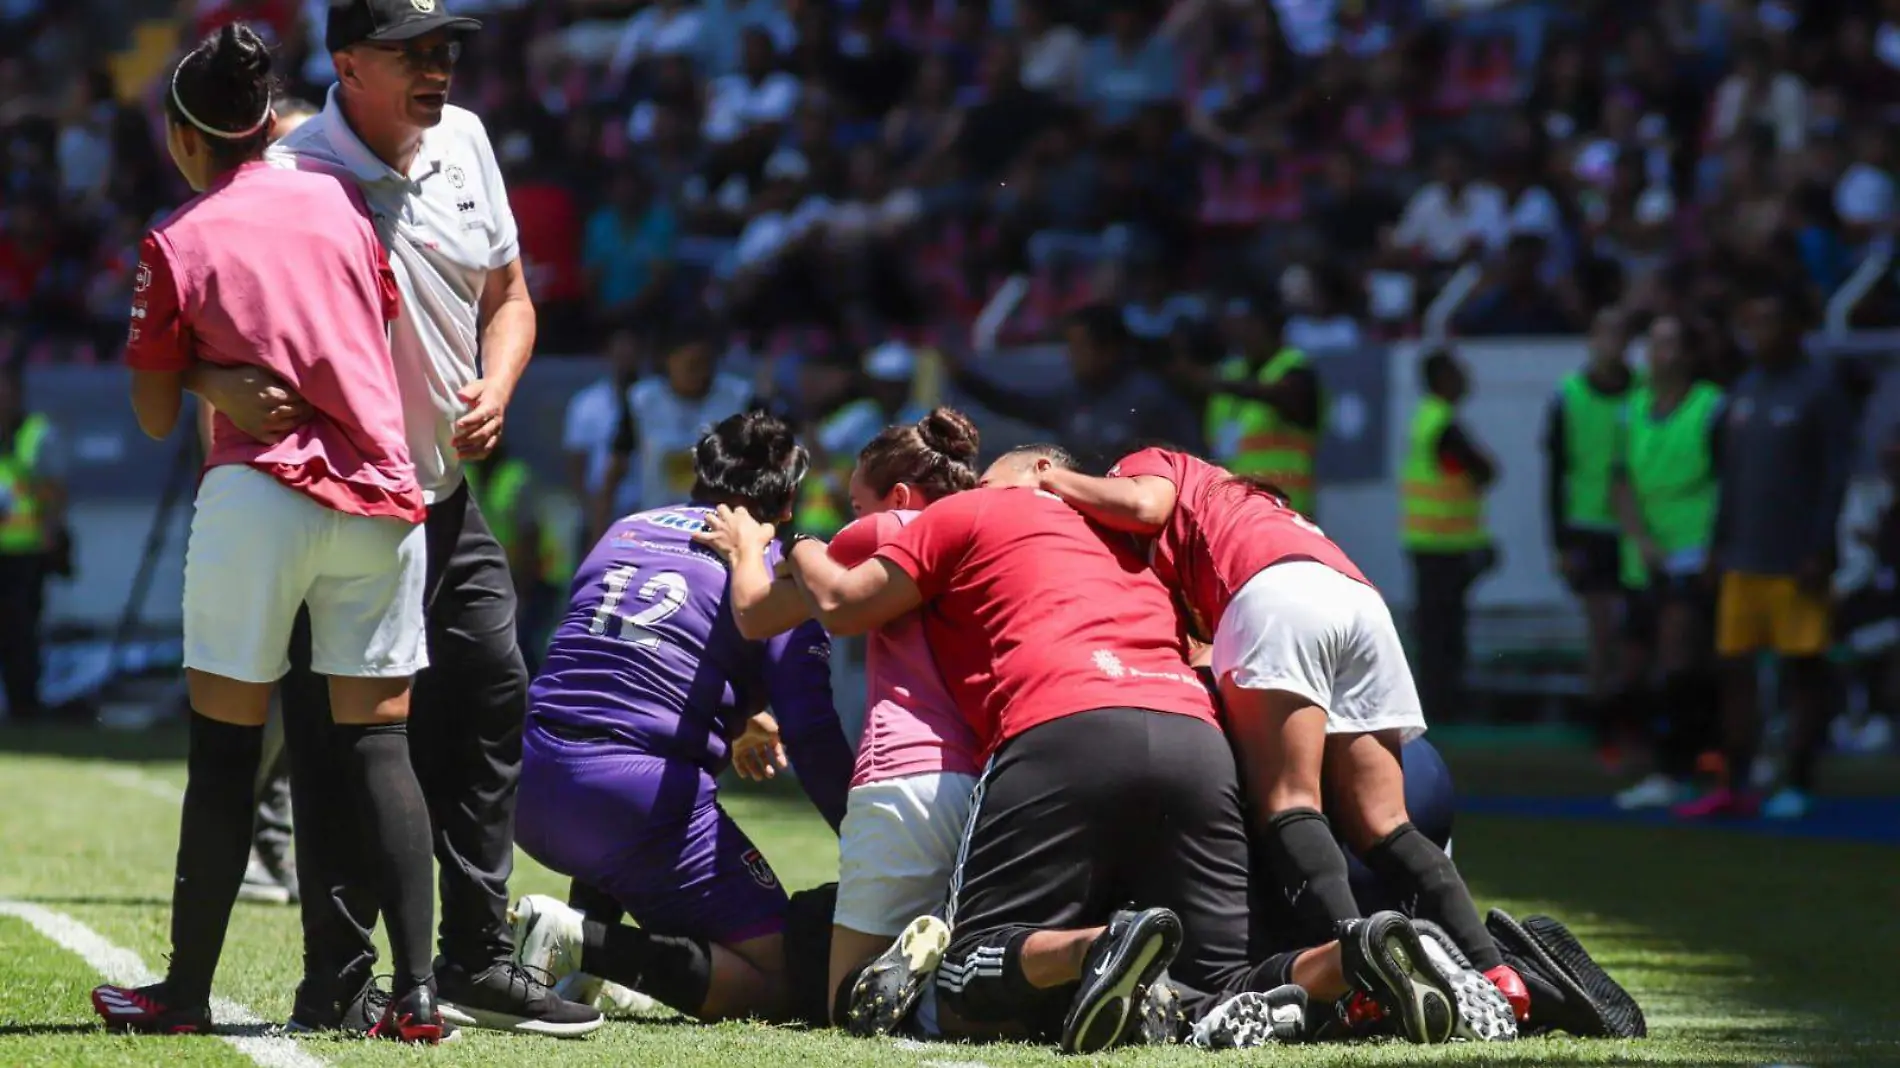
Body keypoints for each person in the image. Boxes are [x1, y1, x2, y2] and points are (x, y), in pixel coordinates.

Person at [171, 0, 600, 1035]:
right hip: (340, 502)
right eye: (415, 51)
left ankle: (477, 957)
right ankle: (337, 977)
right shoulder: (290, 172)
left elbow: (511, 297)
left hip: (445, 497)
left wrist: (497, 382)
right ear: (347, 63)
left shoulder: (468, 144)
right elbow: (186, 293)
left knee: (493, 698)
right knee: (330, 746)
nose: (439, 69)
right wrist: (211, 386)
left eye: (448, 50)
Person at [778, 444, 1471, 1052]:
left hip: (1059, 730)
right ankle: (1355, 954)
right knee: (1216, 984)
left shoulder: (972, 512)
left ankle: (1097, 944)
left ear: (1027, 476)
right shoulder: (1140, 554)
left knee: (974, 962)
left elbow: (839, 606)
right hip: (1197, 741)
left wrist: (798, 543)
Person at [89, 26, 442, 1042]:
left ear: (184, 136)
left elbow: (158, 412)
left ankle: (184, 995)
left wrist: (207, 376)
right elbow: (366, 325)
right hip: (380, 495)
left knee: (225, 754)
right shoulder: (339, 199)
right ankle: (416, 998)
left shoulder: (179, 237)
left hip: (260, 500)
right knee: (381, 743)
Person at [1033, 445, 1524, 1034]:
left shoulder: (1155, 465)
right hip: (1357, 598)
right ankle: (1496, 975)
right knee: (1385, 823)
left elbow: (1141, 503)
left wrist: (1052, 479)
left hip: (1273, 596)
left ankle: (1362, 972)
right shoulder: (1245, 504)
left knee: (1288, 802)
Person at [509, 410, 853, 1024]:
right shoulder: (775, 566)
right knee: (786, 980)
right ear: (790, 500)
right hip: (633, 801)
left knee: (628, 806)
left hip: (529, 777)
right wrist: (868, 841)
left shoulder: (625, 527)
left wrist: (741, 714)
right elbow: (813, 732)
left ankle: (582, 954)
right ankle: (580, 941)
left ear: (700, 475)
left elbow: (631, 656)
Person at [689, 407, 983, 1029]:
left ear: (898, 497)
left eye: (855, 504)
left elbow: (755, 615)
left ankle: (914, 985)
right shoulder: (988, 533)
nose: (850, 520)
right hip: (989, 782)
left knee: (847, 1006)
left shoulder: (892, 528)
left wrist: (765, 547)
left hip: (904, 777)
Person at [1685, 286, 1852, 821]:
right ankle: (1738, 777)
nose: (1756, 336)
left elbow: (1833, 478)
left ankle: (1797, 778)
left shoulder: (1819, 391)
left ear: (1793, 329)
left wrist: (1820, 546)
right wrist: (1717, 546)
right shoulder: (1744, 389)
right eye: (1750, 325)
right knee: (1734, 670)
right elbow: (1729, 481)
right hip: (1742, 558)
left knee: (1802, 669)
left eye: (1767, 324)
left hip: (1795, 560)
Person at [1611, 315, 1725, 811]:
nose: (1660, 354)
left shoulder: (1711, 407)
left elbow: (1729, 484)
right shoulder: (1632, 410)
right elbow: (1620, 485)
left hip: (1698, 555)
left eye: (1670, 344)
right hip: (1648, 560)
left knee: (1681, 656)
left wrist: (1719, 549)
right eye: (1654, 344)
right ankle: (1692, 756)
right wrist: (1641, 538)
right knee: (1642, 664)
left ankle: (1677, 767)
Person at [1543, 308, 1637, 766]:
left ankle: (1630, 725)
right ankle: (1605, 730)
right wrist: (1560, 541)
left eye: (1619, 334)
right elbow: (1556, 472)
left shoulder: (1643, 394)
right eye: (1605, 333)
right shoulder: (1570, 396)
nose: (1612, 344)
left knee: (1634, 635)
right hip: (1589, 528)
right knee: (1603, 632)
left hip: (1639, 528)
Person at [945, 303, 1202, 468]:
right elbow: (1019, 405)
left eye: (1080, 348)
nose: (1071, 357)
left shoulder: (1151, 400)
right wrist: (966, 379)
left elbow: (1189, 461)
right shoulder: (1074, 397)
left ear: (1109, 350)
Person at [1402, 348, 1497, 723]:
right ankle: (1444, 707)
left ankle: (1437, 704)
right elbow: (1485, 470)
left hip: (1429, 541)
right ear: (1442, 379)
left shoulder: (1425, 419)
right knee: (1445, 634)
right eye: (1458, 373)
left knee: (1434, 631)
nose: (1466, 380)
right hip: (1445, 544)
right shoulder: (1443, 424)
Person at [1199, 298, 1325, 519]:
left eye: (1249, 325)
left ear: (1269, 327)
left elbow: (1290, 398)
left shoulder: (1294, 369)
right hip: (1236, 513)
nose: (1242, 334)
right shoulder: (1231, 373)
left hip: (1288, 509)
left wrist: (1230, 387)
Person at [793, 340, 927, 539]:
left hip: (906, 510)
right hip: (855, 508)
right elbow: (816, 445)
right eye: (882, 384)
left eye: (893, 385)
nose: (887, 392)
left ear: (907, 385)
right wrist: (831, 482)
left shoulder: (923, 419)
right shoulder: (861, 414)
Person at [0, 360, 67, 722]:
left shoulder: (36, 433)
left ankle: (24, 708)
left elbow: (54, 492)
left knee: (21, 635)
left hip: (24, 553)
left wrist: (49, 533)